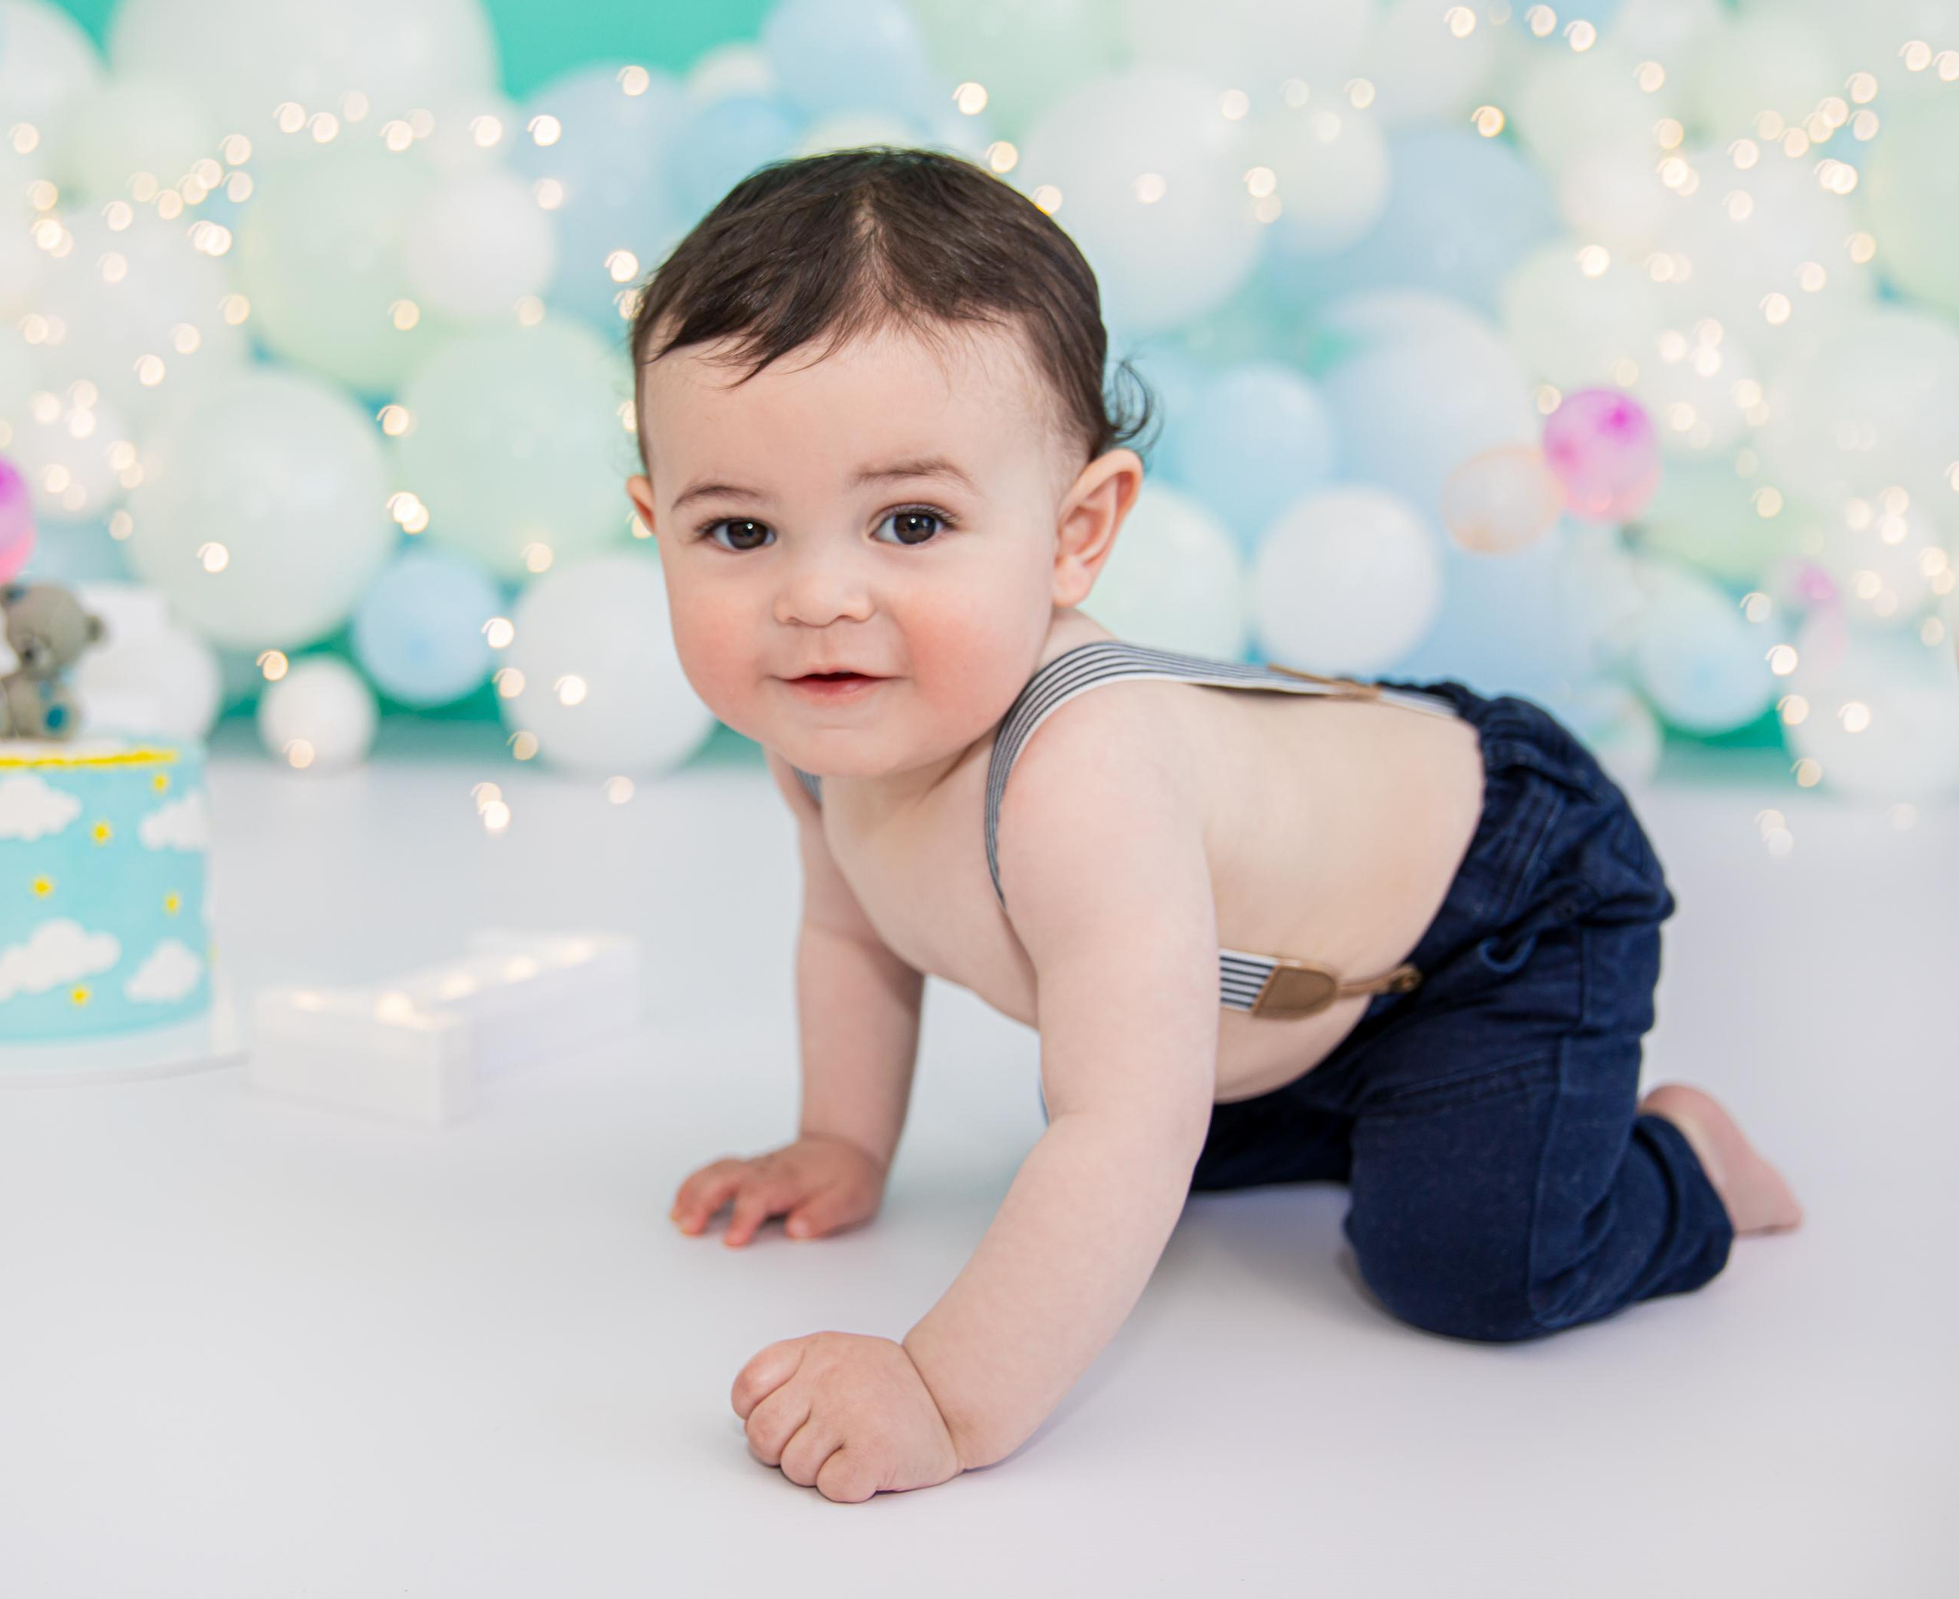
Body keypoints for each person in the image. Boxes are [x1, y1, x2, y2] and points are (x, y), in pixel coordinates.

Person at [624, 148, 1801, 1506]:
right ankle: (1365, 1095)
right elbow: (850, 934)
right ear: (657, 525)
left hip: (1499, 899)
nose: (818, 597)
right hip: (1298, 944)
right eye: (739, 534)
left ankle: (1685, 1167)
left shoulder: (1081, 775)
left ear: (1077, 534)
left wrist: (945, 1396)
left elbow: (1123, 1127)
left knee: (1461, 1261)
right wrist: (842, 1143)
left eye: (910, 520)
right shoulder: (825, 731)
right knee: (1175, 1126)